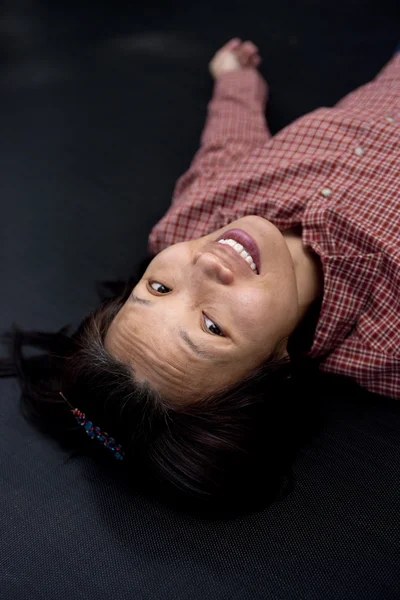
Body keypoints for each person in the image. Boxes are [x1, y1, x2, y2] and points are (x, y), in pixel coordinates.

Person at [2, 39, 400, 516]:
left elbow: (230, 144)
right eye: (212, 326)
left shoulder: (197, 216)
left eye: (159, 288)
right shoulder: (386, 339)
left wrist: (235, 80)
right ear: (273, 370)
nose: (207, 264)